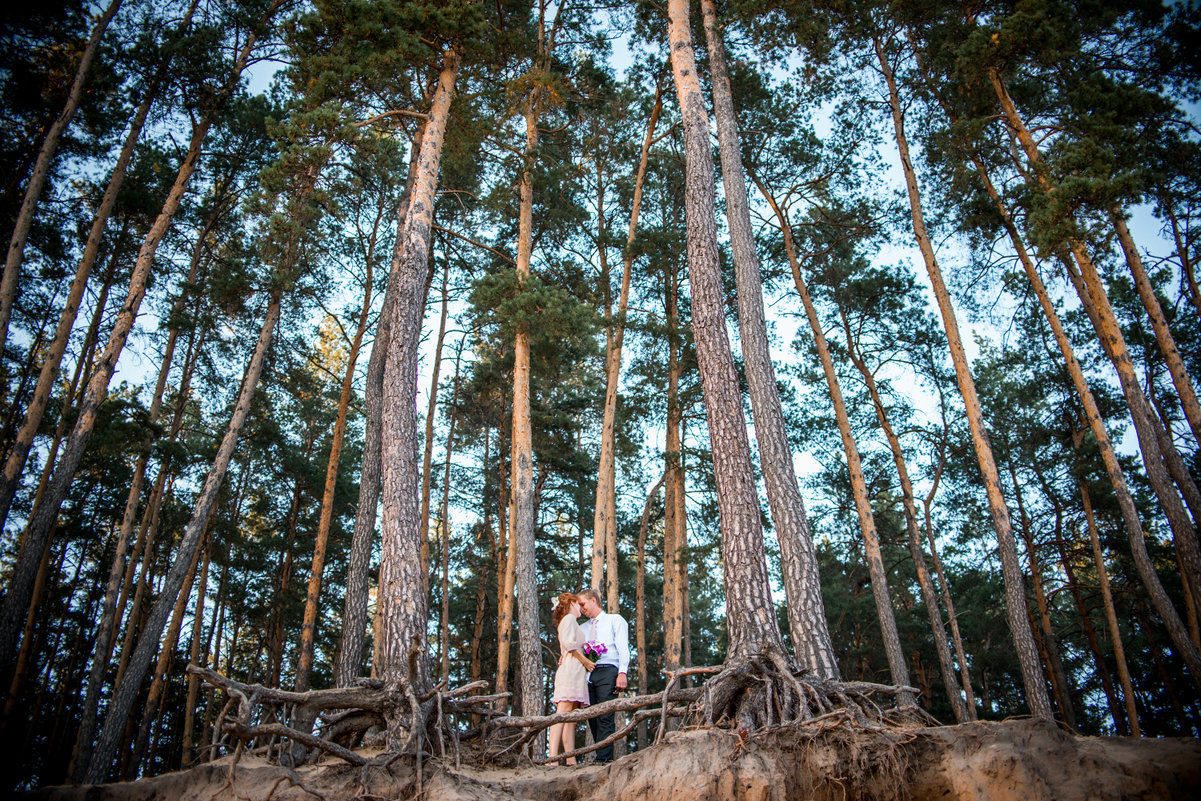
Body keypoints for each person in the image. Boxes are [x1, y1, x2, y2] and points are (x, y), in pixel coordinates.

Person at [578, 588, 629, 763]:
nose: (581, 608)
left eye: (583, 604)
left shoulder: (615, 620)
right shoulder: (582, 628)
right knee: (592, 717)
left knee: (605, 715)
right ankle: (601, 754)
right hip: (588, 674)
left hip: (609, 670)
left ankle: (603, 759)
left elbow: (623, 648)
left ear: (593, 600)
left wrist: (622, 672)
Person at [548, 592, 593, 765]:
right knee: (562, 712)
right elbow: (568, 644)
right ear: (571, 604)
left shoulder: (572, 622)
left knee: (571, 717)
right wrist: (586, 661)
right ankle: (552, 757)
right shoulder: (569, 619)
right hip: (570, 671)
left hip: (577, 672)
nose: (581, 608)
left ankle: (570, 758)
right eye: (578, 604)